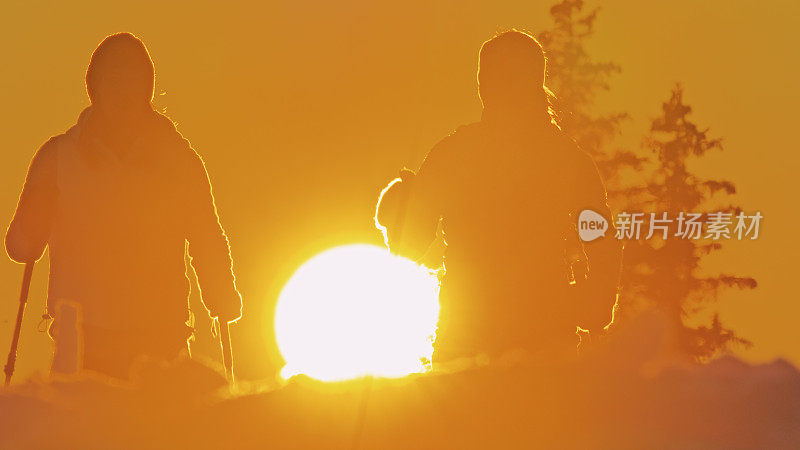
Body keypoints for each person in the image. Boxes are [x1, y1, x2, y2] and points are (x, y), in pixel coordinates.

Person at [4, 33, 242, 379]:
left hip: (160, 341)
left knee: (151, 432)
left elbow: (206, 236)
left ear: (147, 87)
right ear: (94, 87)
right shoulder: (59, 158)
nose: (121, 89)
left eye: (131, 79)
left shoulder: (177, 160)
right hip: (84, 346)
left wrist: (222, 295)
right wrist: (34, 215)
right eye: (111, 79)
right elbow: (21, 247)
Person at [375, 30, 622, 364]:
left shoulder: (454, 154)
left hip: (471, 338)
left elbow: (409, 246)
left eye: (492, 78)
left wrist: (398, 210)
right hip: (543, 335)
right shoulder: (567, 159)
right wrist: (596, 300)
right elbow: (598, 235)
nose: (488, 87)